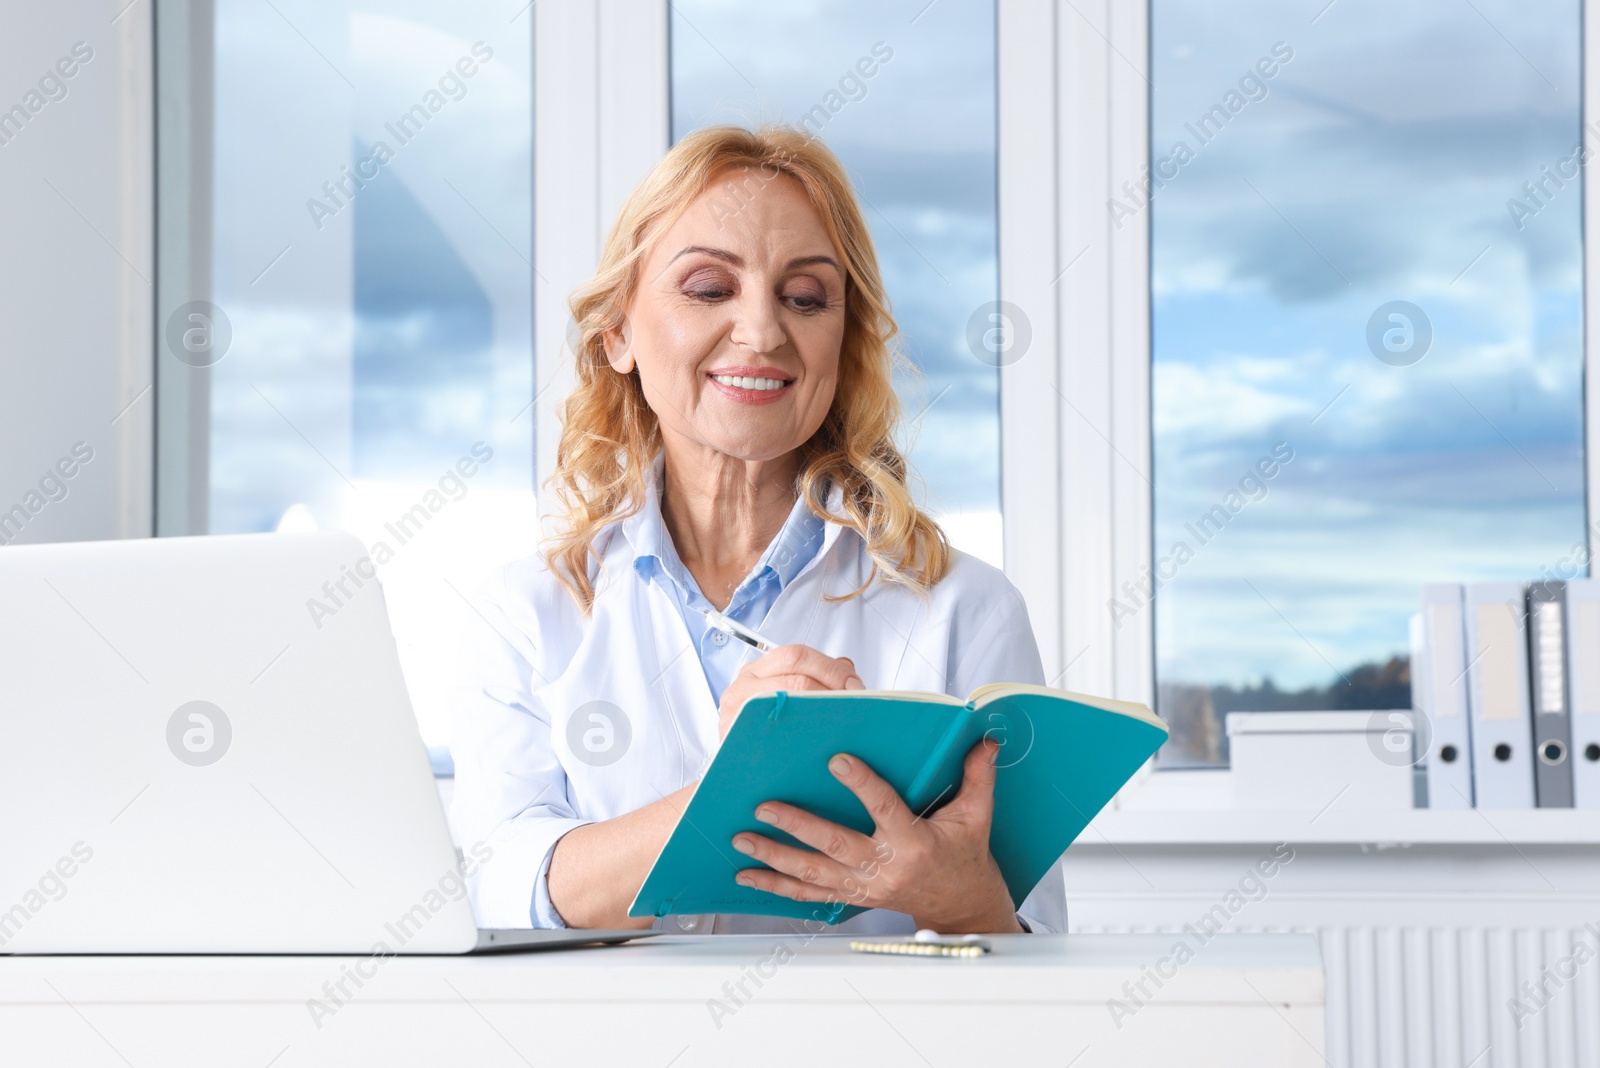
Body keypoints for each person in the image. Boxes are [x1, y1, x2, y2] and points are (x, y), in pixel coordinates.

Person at [450, 124, 1064, 936]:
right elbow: (504, 891)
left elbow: (1043, 965)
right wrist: (732, 790)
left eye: (805, 298)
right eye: (709, 288)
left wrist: (963, 903)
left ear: (841, 344)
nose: (763, 331)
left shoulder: (965, 610)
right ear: (620, 334)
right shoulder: (529, 613)